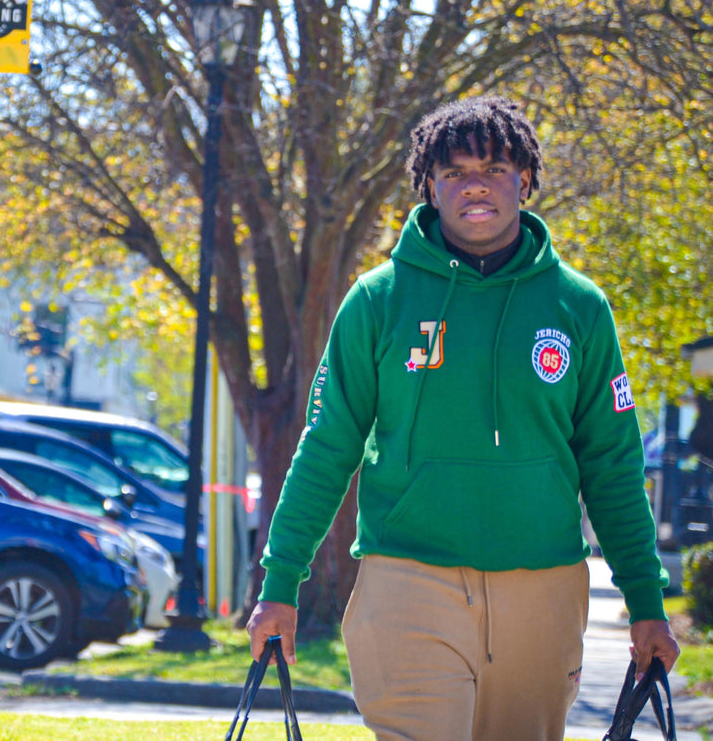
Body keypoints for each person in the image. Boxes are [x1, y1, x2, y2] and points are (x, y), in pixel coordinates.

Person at [247, 96, 678, 741]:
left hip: (544, 587)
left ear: (526, 180)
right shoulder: (377, 300)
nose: (475, 184)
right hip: (406, 579)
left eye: (495, 167)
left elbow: (612, 465)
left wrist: (646, 602)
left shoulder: (578, 306)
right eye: (453, 172)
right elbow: (326, 447)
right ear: (428, 187)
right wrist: (281, 579)